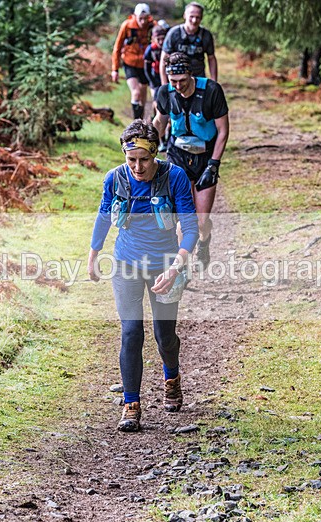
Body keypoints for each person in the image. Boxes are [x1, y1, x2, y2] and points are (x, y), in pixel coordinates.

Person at [88, 120, 198, 432]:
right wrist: (94, 253)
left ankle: (172, 375)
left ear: (156, 154)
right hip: (126, 263)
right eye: (131, 160)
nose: (138, 167)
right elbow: (103, 214)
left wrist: (176, 267)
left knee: (165, 337)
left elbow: (190, 227)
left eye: (144, 160)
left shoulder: (174, 177)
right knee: (131, 332)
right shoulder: (115, 179)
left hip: (166, 265)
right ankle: (131, 404)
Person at [153, 52, 229, 268]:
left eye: (182, 81)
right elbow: (160, 122)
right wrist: (148, 147)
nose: (177, 86)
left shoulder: (212, 91)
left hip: (205, 157)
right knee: (183, 218)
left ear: (191, 74)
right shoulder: (165, 93)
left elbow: (223, 131)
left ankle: (204, 243)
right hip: (178, 156)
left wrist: (214, 164)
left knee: (202, 220)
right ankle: (181, 267)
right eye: (173, 81)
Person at [111, 3, 156, 120]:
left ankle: (140, 121)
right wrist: (115, 69)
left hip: (145, 63)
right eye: (140, 19)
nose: (143, 21)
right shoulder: (127, 26)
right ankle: (135, 122)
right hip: (129, 62)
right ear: (135, 16)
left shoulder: (153, 26)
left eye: (145, 18)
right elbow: (117, 46)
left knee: (143, 95)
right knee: (135, 93)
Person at [159, 2, 217, 85]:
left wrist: (214, 82)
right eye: (191, 17)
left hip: (198, 77)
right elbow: (164, 60)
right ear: (185, 15)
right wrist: (164, 85)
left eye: (198, 17)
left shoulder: (206, 35)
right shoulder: (173, 33)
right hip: (177, 79)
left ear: (201, 18)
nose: (194, 20)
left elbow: (211, 58)